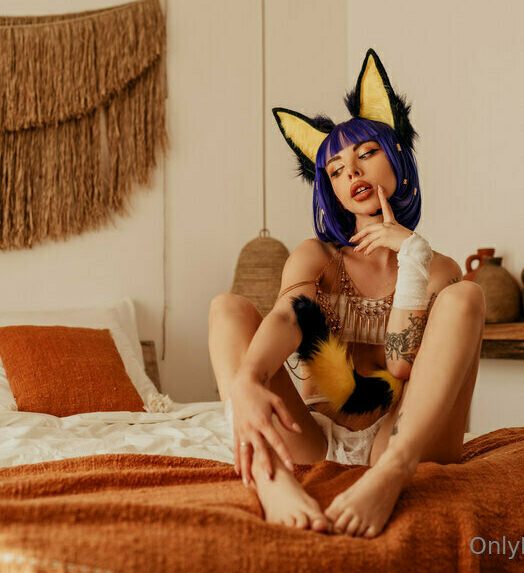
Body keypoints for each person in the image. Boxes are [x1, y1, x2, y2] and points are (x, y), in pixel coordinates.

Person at [208, 49, 485, 539]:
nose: (352, 172)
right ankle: (271, 481)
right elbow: (288, 317)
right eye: (335, 170)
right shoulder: (316, 256)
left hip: (401, 439)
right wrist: (249, 378)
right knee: (226, 308)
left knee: (468, 297)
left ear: (397, 156)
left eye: (366, 154)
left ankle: (391, 475)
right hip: (312, 440)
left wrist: (413, 257)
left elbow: (400, 362)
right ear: (330, 189)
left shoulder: (438, 268)